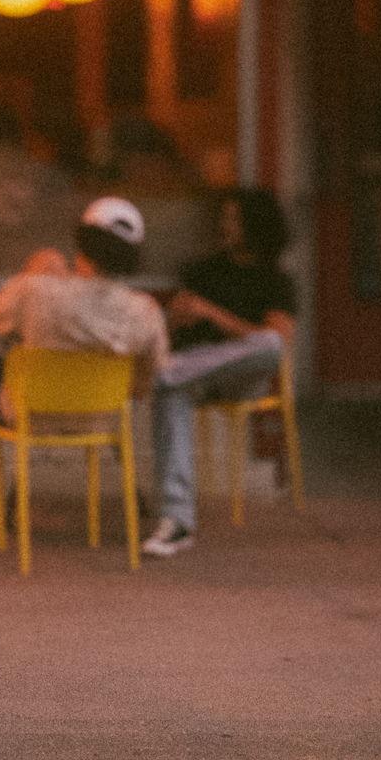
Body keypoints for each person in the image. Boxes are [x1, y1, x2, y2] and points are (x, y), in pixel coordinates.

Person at [0, 196, 167, 533]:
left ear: (81, 242)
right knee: (47, 263)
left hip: (31, 410)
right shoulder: (147, 311)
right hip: (104, 418)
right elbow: (145, 383)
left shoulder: (36, 292)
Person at [140, 186, 297, 559]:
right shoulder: (203, 270)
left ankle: (172, 372)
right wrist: (175, 320)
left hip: (240, 375)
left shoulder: (275, 279)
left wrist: (213, 315)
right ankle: (177, 522)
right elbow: (166, 332)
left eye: (234, 220)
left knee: (270, 344)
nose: (226, 227)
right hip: (194, 373)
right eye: (224, 219)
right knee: (173, 387)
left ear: (256, 226)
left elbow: (277, 338)